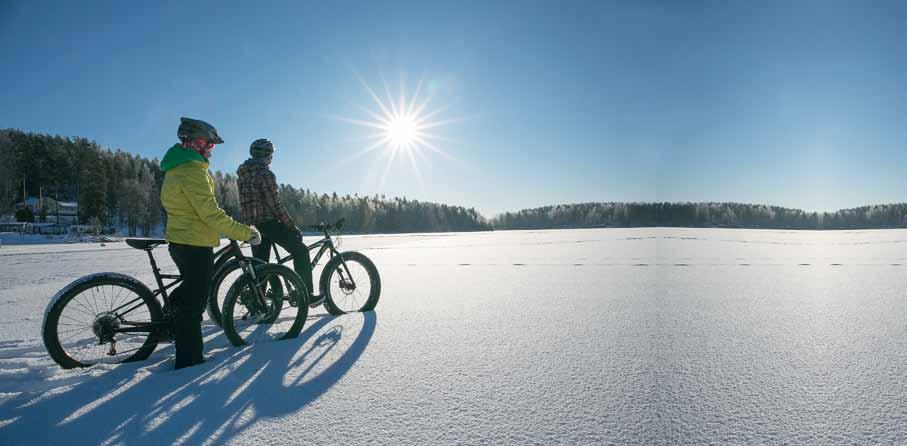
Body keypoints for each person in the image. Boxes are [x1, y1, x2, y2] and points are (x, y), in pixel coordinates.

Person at [160, 117, 262, 370]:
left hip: (182, 238)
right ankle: (189, 359)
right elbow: (210, 214)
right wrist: (244, 232)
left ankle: (166, 326)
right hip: (193, 242)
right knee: (195, 303)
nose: (209, 149)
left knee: (188, 291)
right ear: (189, 143)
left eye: (211, 145)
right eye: (205, 143)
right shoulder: (191, 171)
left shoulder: (178, 166)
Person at [236, 138, 317, 304]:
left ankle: (257, 301)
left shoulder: (243, 175)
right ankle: (306, 295)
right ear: (267, 156)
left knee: (261, 265)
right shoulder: (265, 173)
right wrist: (291, 226)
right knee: (301, 251)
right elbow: (275, 204)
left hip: (253, 227)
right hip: (269, 223)